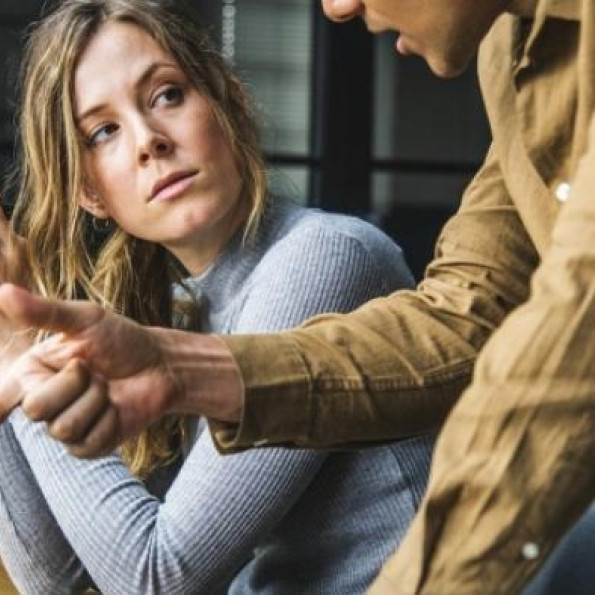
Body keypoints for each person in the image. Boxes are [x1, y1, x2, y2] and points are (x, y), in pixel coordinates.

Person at [0, 0, 592, 592]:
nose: (147, 141)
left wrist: (31, 352)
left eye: (167, 95)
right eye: (104, 132)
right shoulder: (166, 308)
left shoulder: (325, 257)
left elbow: (157, 579)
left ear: (231, 102)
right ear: (88, 193)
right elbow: (65, 583)